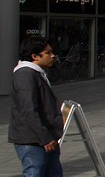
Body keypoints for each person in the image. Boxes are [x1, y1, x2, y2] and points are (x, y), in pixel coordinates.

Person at [9, 37, 64, 176]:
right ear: (35, 56)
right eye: (48, 53)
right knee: (35, 172)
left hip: (44, 137)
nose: (52, 56)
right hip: (33, 140)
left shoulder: (35, 73)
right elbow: (28, 110)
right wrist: (44, 137)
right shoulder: (25, 75)